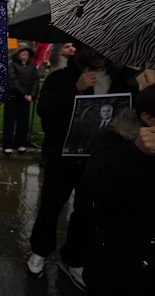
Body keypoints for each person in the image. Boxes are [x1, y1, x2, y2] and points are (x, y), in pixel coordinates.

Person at [26, 43, 139, 292]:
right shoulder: (60, 78)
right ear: (79, 50)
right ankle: (40, 251)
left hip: (97, 161)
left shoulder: (121, 79)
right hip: (62, 157)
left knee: (87, 212)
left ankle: (73, 258)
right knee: (51, 206)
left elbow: (131, 116)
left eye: (104, 49)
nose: (99, 54)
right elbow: (44, 110)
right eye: (92, 49)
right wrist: (74, 89)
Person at [82, 83, 155, 295]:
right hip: (119, 266)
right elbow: (95, 189)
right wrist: (137, 155)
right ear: (148, 118)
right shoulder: (117, 141)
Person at [3, 44, 39, 155]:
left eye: (27, 53)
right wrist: (24, 94)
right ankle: (7, 145)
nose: (25, 54)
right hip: (13, 98)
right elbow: (13, 81)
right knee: (9, 122)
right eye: (22, 52)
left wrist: (32, 95)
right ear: (17, 54)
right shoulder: (11, 65)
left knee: (23, 123)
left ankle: (20, 143)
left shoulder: (32, 66)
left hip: (26, 100)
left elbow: (35, 81)